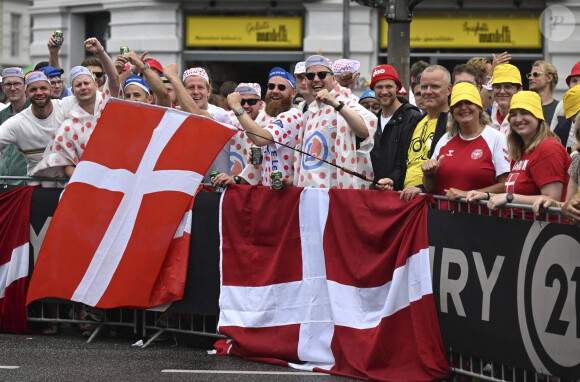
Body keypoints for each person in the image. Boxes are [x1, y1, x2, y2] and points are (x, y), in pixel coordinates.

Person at [467, 91, 570, 218]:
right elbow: (515, 194)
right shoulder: (520, 150)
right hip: (521, 229)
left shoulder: (548, 148)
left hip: (544, 232)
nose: (518, 119)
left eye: (525, 113)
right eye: (514, 115)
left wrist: (509, 197)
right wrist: (487, 196)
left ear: (538, 116)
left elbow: (553, 199)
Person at [30, 37, 120, 178]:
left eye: (86, 83)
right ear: (73, 91)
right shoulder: (68, 126)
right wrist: (88, 180)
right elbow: (66, 166)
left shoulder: (109, 104)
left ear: (96, 85)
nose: (83, 87)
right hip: (84, 186)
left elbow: (114, 78)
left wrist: (100, 52)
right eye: (78, 85)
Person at [293, 55, 376, 189]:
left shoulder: (347, 102)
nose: (315, 79)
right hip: (309, 192)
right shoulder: (309, 113)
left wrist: (335, 104)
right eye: (310, 76)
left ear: (333, 78)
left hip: (337, 194)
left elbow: (365, 131)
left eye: (321, 74)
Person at [422, 82, 509, 209]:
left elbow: (506, 185)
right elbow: (432, 188)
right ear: (452, 111)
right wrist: (428, 175)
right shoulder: (445, 140)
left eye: (468, 102)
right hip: (445, 220)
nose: (463, 108)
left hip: (484, 221)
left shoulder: (496, 138)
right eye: (457, 104)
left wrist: (469, 194)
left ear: (479, 107)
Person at [218, 68, 302, 187]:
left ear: (293, 93)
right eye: (271, 87)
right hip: (270, 194)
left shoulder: (291, 115)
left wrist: (237, 106)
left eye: (281, 87)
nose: (275, 91)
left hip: (284, 197)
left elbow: (260, 139)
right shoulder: (275, 118)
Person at [397, 65, 452, 200]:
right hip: (406, 199)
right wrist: (392, 181)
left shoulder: (456, 123)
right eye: (424, 87)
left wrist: (421, 188)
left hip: (434, 202)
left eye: (435, 86)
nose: (428, 91)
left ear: (449, 89)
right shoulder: (414, 122)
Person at [369, 64, 421, 191]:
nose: (384, 91)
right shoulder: (374, 119)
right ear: (373, 90)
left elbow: (408, 159)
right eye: (379, 87)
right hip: (378, 192)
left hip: (401, 194)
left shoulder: (411, 116)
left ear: (397, 87)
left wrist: (393, 180)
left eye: (389, 86)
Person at [182, 66, 231, 183]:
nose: (195, 92)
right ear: (184, 91)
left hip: (217, 190)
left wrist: (173, 78)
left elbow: (197, 114)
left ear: (208, 91)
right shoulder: (178, 115)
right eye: (190, 88)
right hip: (189, 189)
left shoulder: (219, 114)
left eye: (200, 87)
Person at [0, 68, 30, 185]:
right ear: (3, 87)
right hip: (3, 182)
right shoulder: (2, 115)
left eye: (17, 84)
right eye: (8, 84)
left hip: (27, 184)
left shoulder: (36, 112)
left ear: (25, 86)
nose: (13, 88)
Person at [227, 82, 264, 176]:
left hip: (259, 183)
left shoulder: (269, 120)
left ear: (260, 103)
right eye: (241, 102)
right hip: (234, 181)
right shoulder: (229, 119)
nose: (246, 106)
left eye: (251, 101)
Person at [551, 62, 580, 151]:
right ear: (569, 86)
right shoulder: (562, 106)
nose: (578, 84)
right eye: (574, 81)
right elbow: (551, 140)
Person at [490, 64, 522, 135]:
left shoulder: (525, 124)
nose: (502, 91)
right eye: (497, 87)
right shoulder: (487, 125)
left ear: (519, 90)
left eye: (507, 87)